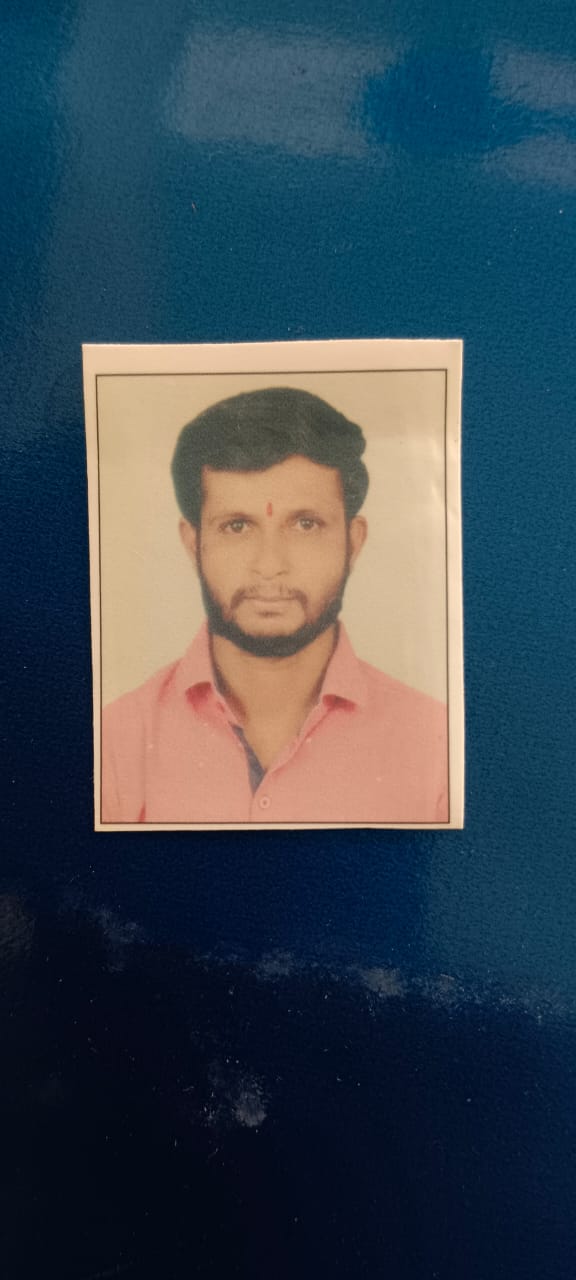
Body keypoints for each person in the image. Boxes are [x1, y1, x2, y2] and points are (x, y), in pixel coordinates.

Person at [102, 387, 448, 824]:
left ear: (353, 542)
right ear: (193, 545)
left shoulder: (436, 744)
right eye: (237, 526)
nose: (269, 565)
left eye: (305, 524)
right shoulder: (115, 743)